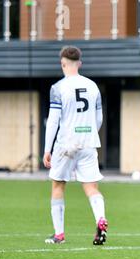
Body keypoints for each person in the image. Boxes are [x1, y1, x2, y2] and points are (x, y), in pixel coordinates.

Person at [42, 46, 108, 245]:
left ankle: (59, 235)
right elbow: (99, 118)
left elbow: (53, 121)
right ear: (79, 63)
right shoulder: (93, 86)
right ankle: (100, 219)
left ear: (63, 63)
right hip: (89, 143)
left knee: (58, 185)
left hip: (66, 143)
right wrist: (88, 134)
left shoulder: (58, 87)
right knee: (91, 186)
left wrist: (47, 149)